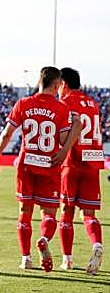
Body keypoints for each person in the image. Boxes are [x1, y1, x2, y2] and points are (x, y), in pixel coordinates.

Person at [0, 67, 80, 273]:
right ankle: (43, 239)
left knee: (24, 212)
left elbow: (7, 133)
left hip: (26, 164)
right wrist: (72, 135)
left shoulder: (23, 103)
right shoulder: (61, 108)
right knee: (49, 213)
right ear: (57, 84)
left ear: (39, 81)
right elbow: (61, 140)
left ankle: (25, 258)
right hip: (49, 165)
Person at [57, 67, 104, 275]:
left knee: (66, 213)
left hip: (72, 162)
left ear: (64, 84)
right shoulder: (93, 104)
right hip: (93, 161)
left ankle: (67, 259)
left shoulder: (64, 103)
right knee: (89, 214)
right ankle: (96, 244)